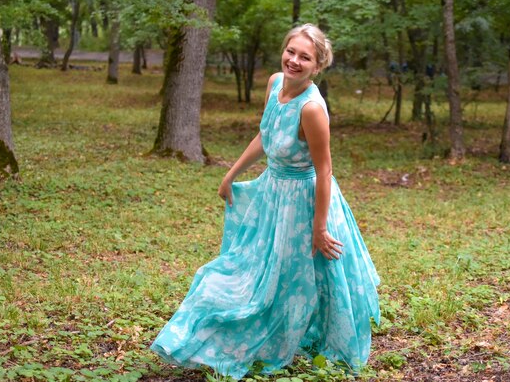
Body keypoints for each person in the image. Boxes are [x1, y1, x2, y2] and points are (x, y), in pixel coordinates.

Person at [150, 24, 380, 379]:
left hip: (304, 204)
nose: (294, 60)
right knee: (252, 269)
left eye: (305, 57)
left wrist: (319, 229)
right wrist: (232, 173)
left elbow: (325, 172)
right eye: (291, 51)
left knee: (298, 278)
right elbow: (267, 132)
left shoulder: (312, 109)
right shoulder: (275, 84)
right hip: (272, 194)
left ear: (318, 66)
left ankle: (296, 335)